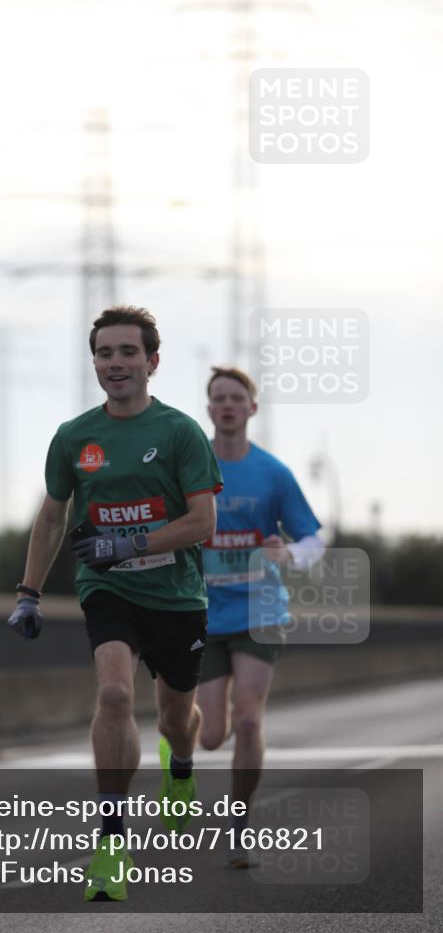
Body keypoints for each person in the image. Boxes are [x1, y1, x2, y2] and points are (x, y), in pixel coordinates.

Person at [8, 306, 221, 901]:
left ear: (153, 361)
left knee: (177, 718)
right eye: (105, 353)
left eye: (128, 352)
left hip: (176, 595)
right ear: (95, 363)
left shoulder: (179, 432)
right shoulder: (74, 437)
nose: (116, 363)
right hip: (109, 589)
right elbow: (53, 518)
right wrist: (28, 593)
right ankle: (111, 842)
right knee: (115, 694)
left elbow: (203, 522)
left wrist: (131, 542)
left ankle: (180, 768)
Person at [197, 367, 324, 868]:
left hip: (260, 610)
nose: (228, 405)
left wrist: (289, 554)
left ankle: (239, 826)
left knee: (248, 720)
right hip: (203, 613)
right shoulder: (190, 467)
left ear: (252, 408)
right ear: (209, 409)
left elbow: (313, 538)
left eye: (236, 398)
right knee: (211, 736)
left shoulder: (273, 472)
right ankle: (177, 748)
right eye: (219, 398)